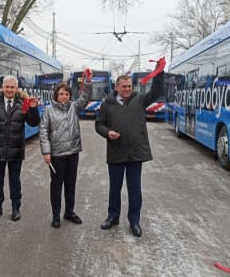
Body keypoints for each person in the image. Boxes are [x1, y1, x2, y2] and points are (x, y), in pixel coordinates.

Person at [95, 70, 164, 237]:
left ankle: (134, 221)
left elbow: (155, 92)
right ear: (117, 87)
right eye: (124, 86)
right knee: (115, 188)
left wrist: (159, 73)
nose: (127, 89)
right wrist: (107, 132)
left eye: (129, 86)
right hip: (116, 152)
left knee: (134, 189)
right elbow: (99, 125)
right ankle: (113, 217)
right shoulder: (107, 104)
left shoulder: (139, 100)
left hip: (135, 153)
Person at [0, 75, 39, 222]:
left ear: (16, 88)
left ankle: (15, 208)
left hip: (15, 150)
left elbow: (33, 123)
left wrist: (33, 109)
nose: (10, 90)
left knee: (15, 181)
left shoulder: (23, 104)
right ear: (2, 87)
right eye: (7, 87)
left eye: (12, 87)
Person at [39, 73, 92, 228]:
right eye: (61, 94)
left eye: (66, 94)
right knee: (56, 185)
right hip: (57, 155)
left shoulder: (74, 107)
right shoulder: (48, 110)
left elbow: (85, 97)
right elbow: (43, 131)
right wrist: (46, 152)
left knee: (71, 185)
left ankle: (69, 212)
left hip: (72, 153)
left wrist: (87, 82)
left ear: (70, 95)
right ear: (56, 95)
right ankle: (56, 215)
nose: (64, 96)